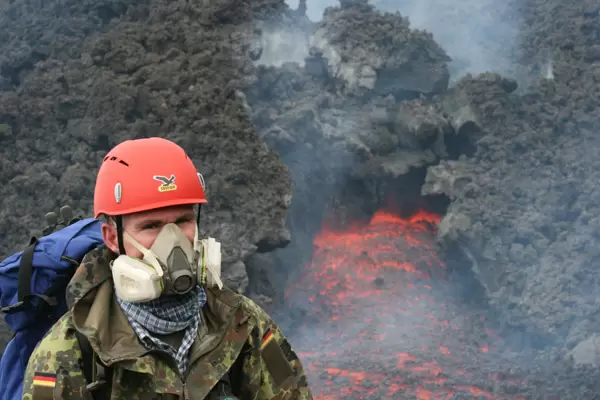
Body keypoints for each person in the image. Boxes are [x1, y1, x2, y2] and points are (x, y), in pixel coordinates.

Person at [20, 137, 313, 400]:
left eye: (183, 221)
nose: (172, 241)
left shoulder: (243, 323)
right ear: (112, 237)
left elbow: (291, 393)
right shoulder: (69, 352)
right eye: (151, 226)